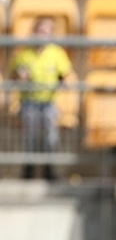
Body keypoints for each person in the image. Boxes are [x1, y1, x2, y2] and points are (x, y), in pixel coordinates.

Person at [8, 16, 72, 180]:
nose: (41, 34)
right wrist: (19, 77)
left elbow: (65, 75)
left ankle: (49, 171)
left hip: (49, 102)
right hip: (29, 102)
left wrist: (62, 82)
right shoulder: (24, 54)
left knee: (51, 136)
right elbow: (13, 76)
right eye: (39, 30)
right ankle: (28, 172)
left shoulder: (57, 53)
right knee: (30, 137)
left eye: (46, 31)